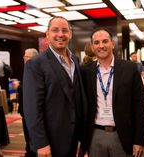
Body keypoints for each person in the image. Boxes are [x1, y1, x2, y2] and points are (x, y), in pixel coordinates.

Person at [23, 16, 87, 157]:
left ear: (70, 34)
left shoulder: (75, 60)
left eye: (64, 30)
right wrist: (41, 143)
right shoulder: (35, 64)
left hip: (72, 139)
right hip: (49, 142)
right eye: (55, 30)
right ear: (47, 35)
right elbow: (32, 108)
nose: (60, 34)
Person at [81, 28, 144, 157]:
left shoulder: (130, 69)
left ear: (112, 44)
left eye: (105, 41)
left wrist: (139, 141)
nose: (101, 46)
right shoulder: (85, 72)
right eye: (97, 42)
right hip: (95, 135)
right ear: (92, 47)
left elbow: (140, 107)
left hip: (123, 135)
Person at [13, 48, 38, 157]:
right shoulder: (29, 68)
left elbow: (31, 89)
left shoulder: (35, 69)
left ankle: (31, 153)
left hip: (31, 109)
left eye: (26, 56)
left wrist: (18, 87)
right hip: (26, 108)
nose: (24, 57)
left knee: (31, 134)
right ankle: (29, 152)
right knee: (27, 134)